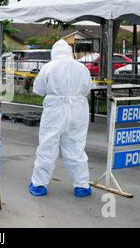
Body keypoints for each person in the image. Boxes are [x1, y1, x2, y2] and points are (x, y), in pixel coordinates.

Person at [29, 39, 93, 198]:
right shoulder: (81, 67)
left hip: (55, 110)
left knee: (48, 146)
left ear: (54, 52)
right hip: (78, 110)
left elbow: (38, 89)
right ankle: (82, 186)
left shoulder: (49, 67)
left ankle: (39, 184)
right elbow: (86, 89)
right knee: (76, 147)